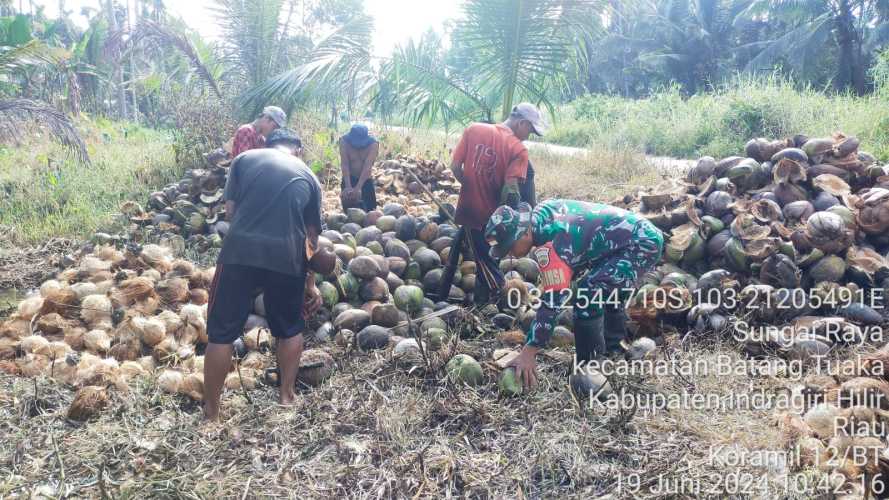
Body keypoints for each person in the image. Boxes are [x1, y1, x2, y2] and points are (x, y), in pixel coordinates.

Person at [203, 128, 326, 421]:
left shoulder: (244, 159)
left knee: (220, 334)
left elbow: (231, 213)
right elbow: (312, 240)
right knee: (290, 327)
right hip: (287, 255)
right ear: (298, 150)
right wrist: (311, 285)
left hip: (240, 251)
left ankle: (212, 414)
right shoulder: (310, 176)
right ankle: (286, 397)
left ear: (267, 144)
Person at [484, 200, 664, 392]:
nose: (508, 254)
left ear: (525, 233)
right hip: (630, 237)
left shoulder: (552, 249)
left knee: (588, 294)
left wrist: (529, 350)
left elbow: (552, 304)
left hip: (641, 243)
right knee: (606, 287)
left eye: (509, 247)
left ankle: (590, 365)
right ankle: (614, 347)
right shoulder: (542, 213)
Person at [443, 102, 548, 305]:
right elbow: (511, 191)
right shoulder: (518, 149)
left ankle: (466, 300)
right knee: (489, 266)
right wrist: (518, 219)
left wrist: (470, 186)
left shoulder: (474, 129)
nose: (529, 136)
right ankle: (509, 304)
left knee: (471, 253)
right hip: (493, 221)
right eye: (531, 130)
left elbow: (455, 167)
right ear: (523, 124)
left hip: (468, 210)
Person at [339, 124, 380, 211]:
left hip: (365, 181)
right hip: (349, 178)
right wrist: (348, 187)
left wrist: (358, 188)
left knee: (370, 210)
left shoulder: (373, 144)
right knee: (349, 212)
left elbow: (367, 168)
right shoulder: (344, 142)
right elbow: (344, 164)